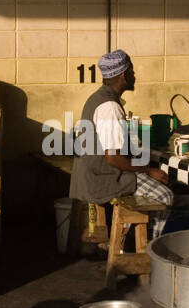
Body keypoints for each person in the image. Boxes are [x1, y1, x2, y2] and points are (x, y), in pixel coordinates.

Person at [69, 50, 174, 239]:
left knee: (146, 185)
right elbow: (113, 158)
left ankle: (125, 239)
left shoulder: (97, 98)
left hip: (89, 175)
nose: (134, 75)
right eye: (132, 71)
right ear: (124, 75)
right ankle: (150, 248)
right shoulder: (110, 107)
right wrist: (148, 171)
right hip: (103, 179)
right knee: (165, 196)